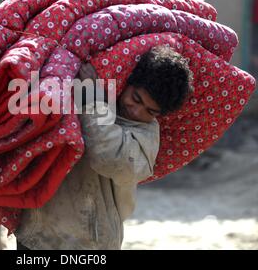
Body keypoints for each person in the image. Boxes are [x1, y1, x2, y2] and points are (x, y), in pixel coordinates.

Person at [15, 45, 194, 249]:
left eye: (150, 111)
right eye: (136, 99)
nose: (136, 111)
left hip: (91, 241)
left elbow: (110, 158)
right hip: (37, 232)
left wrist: (93, 103)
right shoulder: (89, 94)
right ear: (128, 82)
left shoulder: (146, 135)